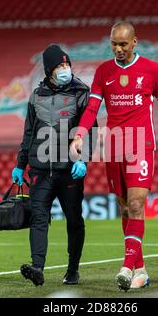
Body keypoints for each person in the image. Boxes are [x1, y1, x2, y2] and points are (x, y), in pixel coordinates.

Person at [70, 22, 158, 290]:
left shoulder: (152, 70)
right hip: (113, 145)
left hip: (141, 144)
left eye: (123, 44)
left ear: (135, 42)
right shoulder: (104, 71)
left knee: (136, 205)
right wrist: (79, 134)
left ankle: (125, 267)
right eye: (114, 44)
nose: (118, 49)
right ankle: (141, 269)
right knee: (125, 207)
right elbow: (92, 107)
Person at [11, 45, 97, 286]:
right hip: (39, 170)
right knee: (39, 217)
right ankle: (37, 267)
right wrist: (20, 165)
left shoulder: (82, 93)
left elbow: (92, 130)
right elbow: (28, 133)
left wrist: (84, 160)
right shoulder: (36, 95)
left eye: (66, 64)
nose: (65, 69)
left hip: (69, 170)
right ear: (49, 71)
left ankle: (72, 270)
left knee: (74, 220)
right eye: (59, 66)